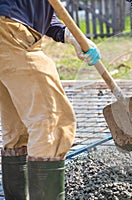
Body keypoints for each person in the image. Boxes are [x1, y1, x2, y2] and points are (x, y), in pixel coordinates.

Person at [0, 1, 100, 199]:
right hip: (11, 33)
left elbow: (40, 9)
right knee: (52, 123)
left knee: (18, 127)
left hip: (8, 30)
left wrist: (68, 34)